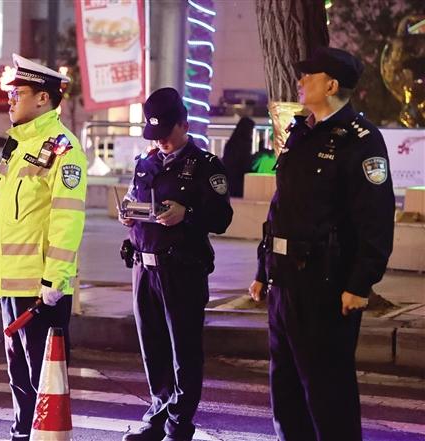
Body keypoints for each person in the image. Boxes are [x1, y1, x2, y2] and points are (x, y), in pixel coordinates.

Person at [249, 47, 395, 441]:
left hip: (326, 285)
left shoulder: (361, 140)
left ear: (331, 85)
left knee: (328, 393)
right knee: (286, 391)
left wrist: (360, 283)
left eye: (308, 76)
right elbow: (281, 207)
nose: (300, 82)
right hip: (284, 283)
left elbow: (376, 218)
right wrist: (263, 268)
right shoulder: (301, 132)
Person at [120, 87, 233, 441]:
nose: (161, 141)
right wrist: (129, 215)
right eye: (155, 134)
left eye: (166, 134)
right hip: (143, 267)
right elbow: (137, 201)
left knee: (183, 350)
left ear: (184, 125)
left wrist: (188, 213)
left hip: (181, 269)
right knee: (152, 348)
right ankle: (157, 415)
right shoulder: (146, 163)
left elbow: (222, 218)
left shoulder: (205, 166)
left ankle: (179, 424)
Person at [0, 53, 88, 441]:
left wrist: (55, 279)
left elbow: (67, 218)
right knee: (19, 373)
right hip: (11, 281)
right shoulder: (18, 144)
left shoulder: (63, 149)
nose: (10, 99)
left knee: (43, 375)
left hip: (39, 288)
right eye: (10, 93)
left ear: (43, 98)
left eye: (19, 93)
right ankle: (22, 433)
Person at [221, 116, 255, 197]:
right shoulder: (243, 144)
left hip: (230, 180)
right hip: (238, 180)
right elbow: (244, 163)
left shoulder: (232, 142)